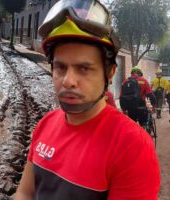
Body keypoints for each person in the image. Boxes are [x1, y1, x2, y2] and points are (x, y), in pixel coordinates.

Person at [14, 0, 160, 199]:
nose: (68, 81)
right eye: (60, 67)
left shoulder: (132, 147)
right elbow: (24, 192)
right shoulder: (45, 125)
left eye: (83, 68)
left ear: (110, 73)